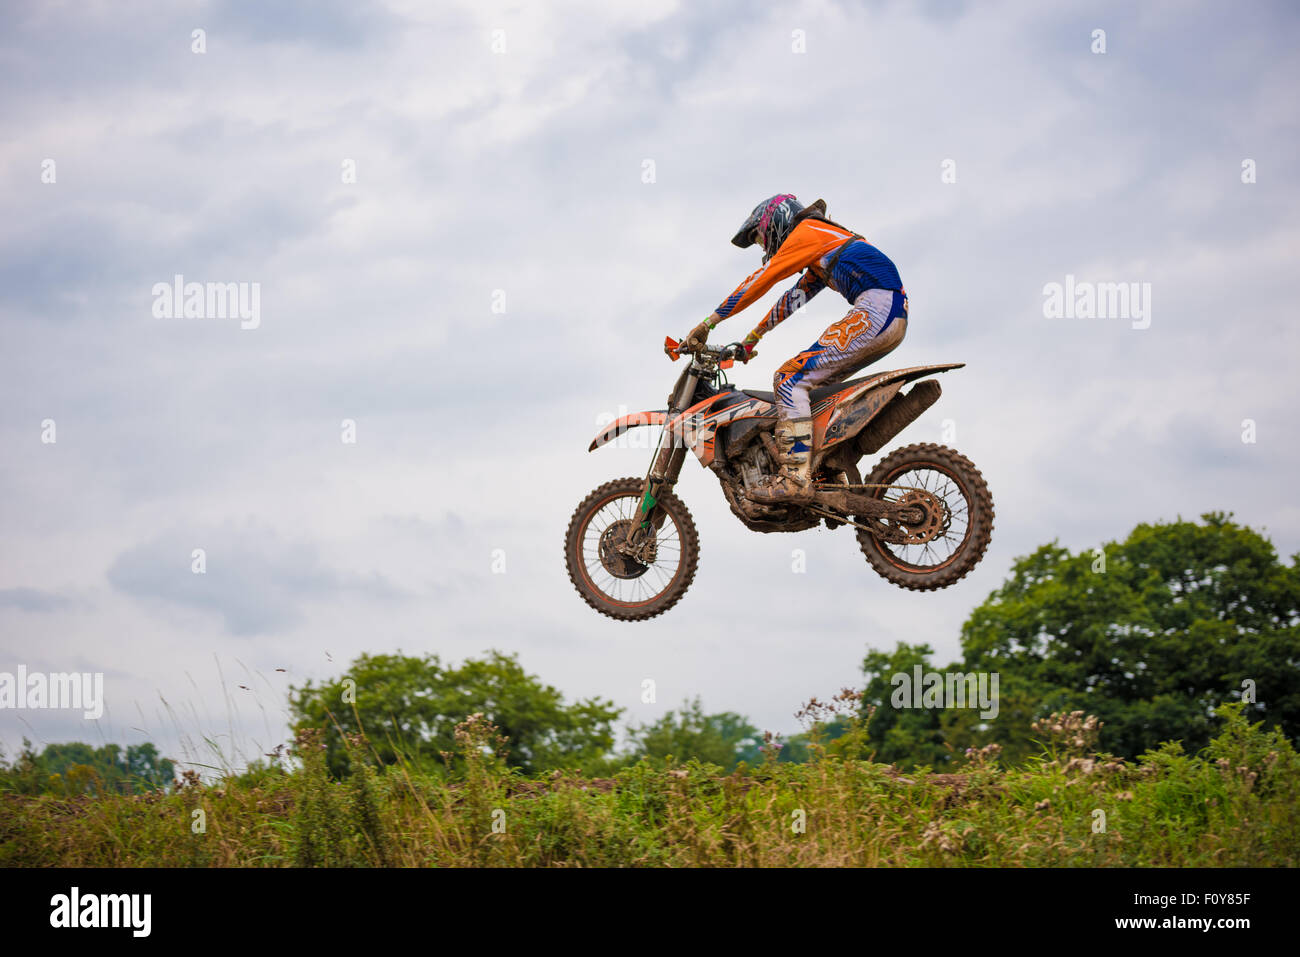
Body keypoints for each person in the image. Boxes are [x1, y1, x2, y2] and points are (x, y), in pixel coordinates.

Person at [685, 194, 909, 504]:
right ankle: (829, 475)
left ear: (775, 222)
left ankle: (795, 478)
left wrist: (708, 323)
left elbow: (760, 280)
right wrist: (753, 338)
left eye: (759, 237)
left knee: (789, 380)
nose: (763, 247)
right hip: (890, 313)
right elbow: (793, 299)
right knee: (816, 389)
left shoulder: (807, 233)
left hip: (876, 311)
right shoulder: (824, 244)